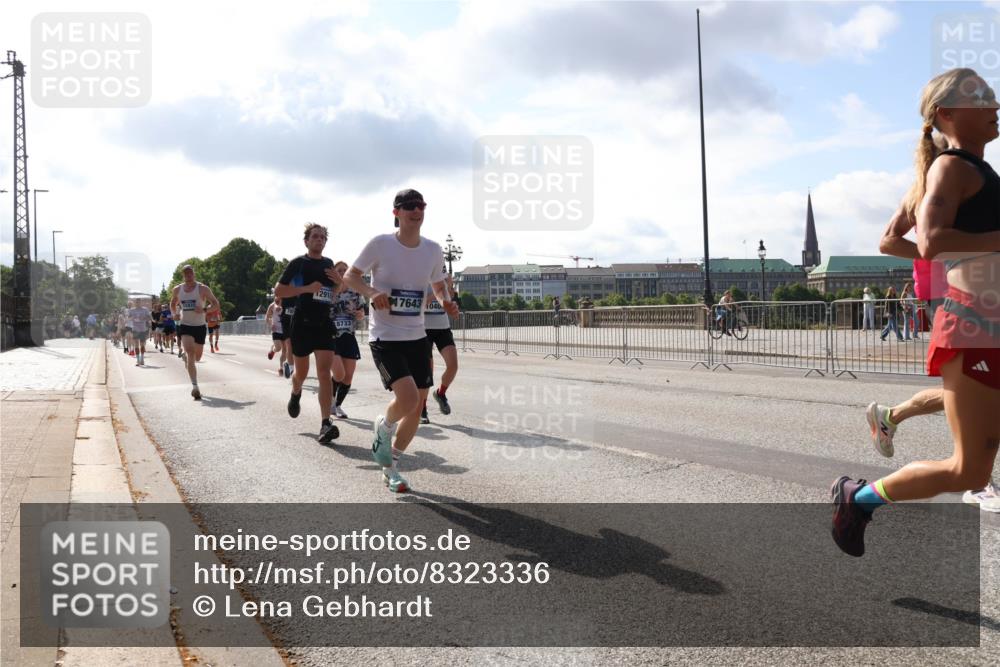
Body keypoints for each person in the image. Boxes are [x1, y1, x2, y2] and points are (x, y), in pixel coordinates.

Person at [832, 67, 1000, 556]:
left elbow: (905, 241)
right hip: (976, 324)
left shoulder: (977, 172)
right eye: (982, 98)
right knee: (969, 472)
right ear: (946, 113)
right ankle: (857, 499)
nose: (995, 105)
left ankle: (892, 416)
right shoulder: (951, 168)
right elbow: (928, 242)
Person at [342, 188, 459, 493]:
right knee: (406, 399)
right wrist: (372, 293)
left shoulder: (433, 250)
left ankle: (390, 465)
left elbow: (436, 284)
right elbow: (350, 277)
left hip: (417, 335)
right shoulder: (380, 244)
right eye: (408, 206)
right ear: (396, 212)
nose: (415, 210)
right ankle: (384, 424)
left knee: (418, 406)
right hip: (386, 336)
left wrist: (444, 300)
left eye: (420, 205)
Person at [274, 223, 340, 444]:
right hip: (301, 323)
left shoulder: (329, 264)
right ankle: (296, 392)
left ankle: (325, 423)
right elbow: (279, 291)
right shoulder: (298, 264)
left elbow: (333, 294)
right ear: (306, 241)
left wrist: (340, 284)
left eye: (323, 237)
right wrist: (305, 289)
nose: (319, 240)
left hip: (323, 323)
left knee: (324, 372)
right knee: (301, 373)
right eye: (315, 236)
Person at [170, 264, 221, 400]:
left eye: (190, 273)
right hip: (185, 325)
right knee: (190, 351)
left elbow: (216, 304)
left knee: (196, 358)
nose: (188, 276)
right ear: (183, 275)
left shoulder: (203, 289)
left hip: (200, 326)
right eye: (186, 274)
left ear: (194, 274)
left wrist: (204, 310)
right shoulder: (177, 289)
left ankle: (187, 359)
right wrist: (174, 313)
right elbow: (173, 303)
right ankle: (195, 387)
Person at [422, 264, 458, 424]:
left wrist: (449, 289)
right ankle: (422, 409)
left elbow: (450, 299)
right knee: (426, 372)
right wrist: (437, 293)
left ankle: (441, 393)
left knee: (453, 365)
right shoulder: (420, 278)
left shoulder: (444, 278)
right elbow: (418, 304)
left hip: (443, 327)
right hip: (424, 329)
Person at [330, 261, 365, 419]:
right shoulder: (329, 290)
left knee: (348, 376)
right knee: (339, 373)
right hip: (331, 337)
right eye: (339, 270)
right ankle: (329, 401)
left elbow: (361, 312)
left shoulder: (355, 291)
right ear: (334, 272)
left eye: (346, 269)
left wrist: (359, 315)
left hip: (348, 336)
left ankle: (337, 405)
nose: (343, 272)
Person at [265, 296, 287, 376]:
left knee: (285, 350)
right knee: (278, 348)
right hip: (276, 331)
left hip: (285, 330)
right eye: (275, 299)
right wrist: (271, 325)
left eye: (278, 300)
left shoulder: (286, 304)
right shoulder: (272, 306)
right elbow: (267, 317)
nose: (276, 301)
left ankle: (281, 367)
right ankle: (273, 350)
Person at [128, 299, 152, 366]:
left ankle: (142, 358)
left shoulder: (145, 309)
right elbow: (128, 318)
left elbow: (149, 318)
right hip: (135, 329)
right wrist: (132, 318)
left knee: (142, 345)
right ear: (135, 303)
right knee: (136, 344)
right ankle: (138, 360)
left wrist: (144, 318)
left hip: (142, 329)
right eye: (136, 302)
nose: (137, 303)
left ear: (141, 303)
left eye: (139, 302)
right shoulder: (132, 310)